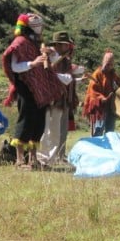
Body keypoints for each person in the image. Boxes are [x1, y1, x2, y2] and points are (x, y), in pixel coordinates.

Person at [2, 13, 66, 169]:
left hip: (39, 89)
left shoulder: (38, 43)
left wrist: (52, 54)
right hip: (26, 87)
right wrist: (33, 63)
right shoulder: (21, 42)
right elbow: (15, 66)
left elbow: (52, 61)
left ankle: (33, 159)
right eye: (39, 26)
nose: (42, 29)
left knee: (38, 124)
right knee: (26, 121)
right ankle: (19, 159)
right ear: (33, 27)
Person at [38, 31, 80, 166]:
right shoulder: (46, 56)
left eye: (68, 45)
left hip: (59, 100)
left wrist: (52, 75)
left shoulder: (66, 61)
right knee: (44, 129)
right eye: (65, 45)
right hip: (45, 98)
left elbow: (68, 79)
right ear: (58, 45)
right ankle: (41, 157)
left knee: (55, 130)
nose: (67, 47)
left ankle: (51, 158)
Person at [82, 49, 120, 137]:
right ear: (103, 62)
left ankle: (108, 150)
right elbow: (93, 91)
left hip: (110, 107)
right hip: (99, 108)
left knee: (110, 133)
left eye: (111, 64)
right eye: (107, 64)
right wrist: (102, 98)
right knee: (98, 132)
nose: (109, 66)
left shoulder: (113, 74)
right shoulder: (97, 74)